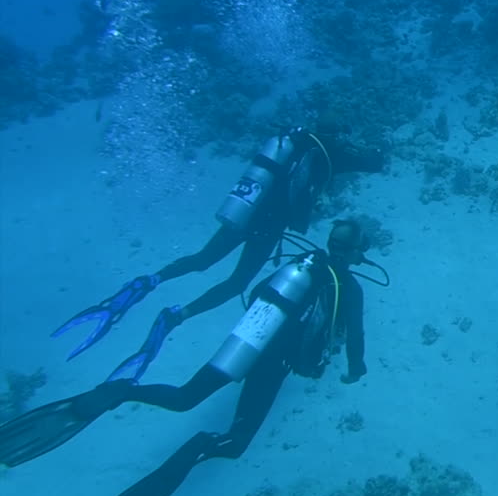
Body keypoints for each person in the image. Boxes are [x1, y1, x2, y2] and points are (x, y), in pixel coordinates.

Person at [0, 220, 384, 496]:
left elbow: (254, 297)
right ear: (355, 252)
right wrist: (357, 370)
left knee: (184, 398)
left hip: (244, 345)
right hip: (273, 365)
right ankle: (197, 447)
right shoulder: (348, 287)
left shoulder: (298, 264)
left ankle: (121, 391)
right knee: (234, 442)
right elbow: (356, 337)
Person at [52, 124, 385, 382]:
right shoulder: (329, 154)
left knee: (202, 259)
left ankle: (149, 281)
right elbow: (371, 162)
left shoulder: (288, 143)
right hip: (266, 229)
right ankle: (178, 315)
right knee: (235, 284)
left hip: (244, 215)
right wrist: (377, 152)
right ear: (335, 136)